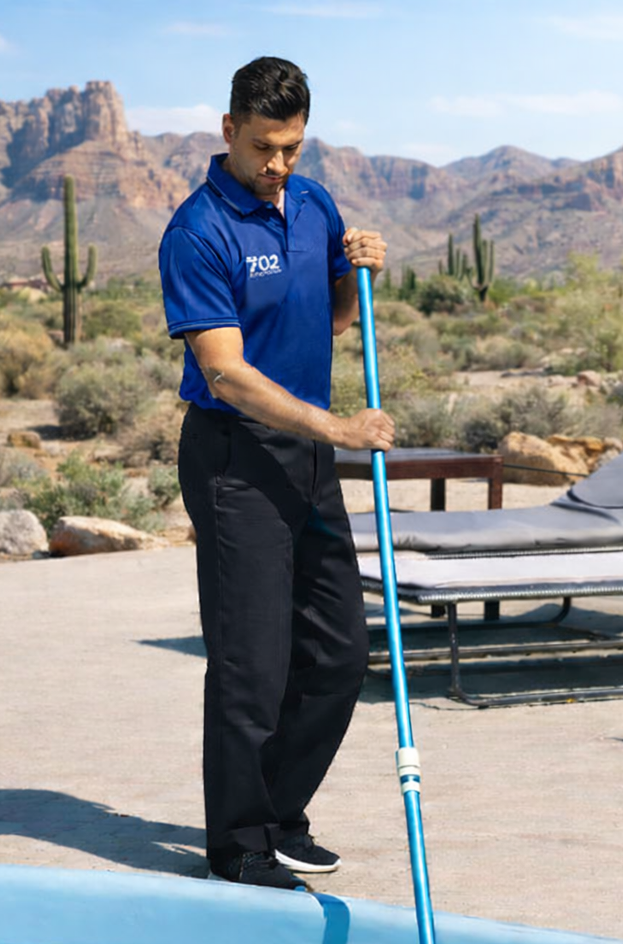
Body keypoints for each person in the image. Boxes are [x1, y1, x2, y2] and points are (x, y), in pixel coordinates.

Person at [158, 56, 394, 890]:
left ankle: (279, 812)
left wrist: (360, 274)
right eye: (263, 146)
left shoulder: (315, 202)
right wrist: (336, 426)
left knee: (340, 653)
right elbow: (225, 373)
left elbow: (334, 320)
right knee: (251, 664)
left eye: (292, 147)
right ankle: (239, 846)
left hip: (307, 452)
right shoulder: (197, 230)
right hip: (234, 457)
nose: (278, 163)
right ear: (229, 130)